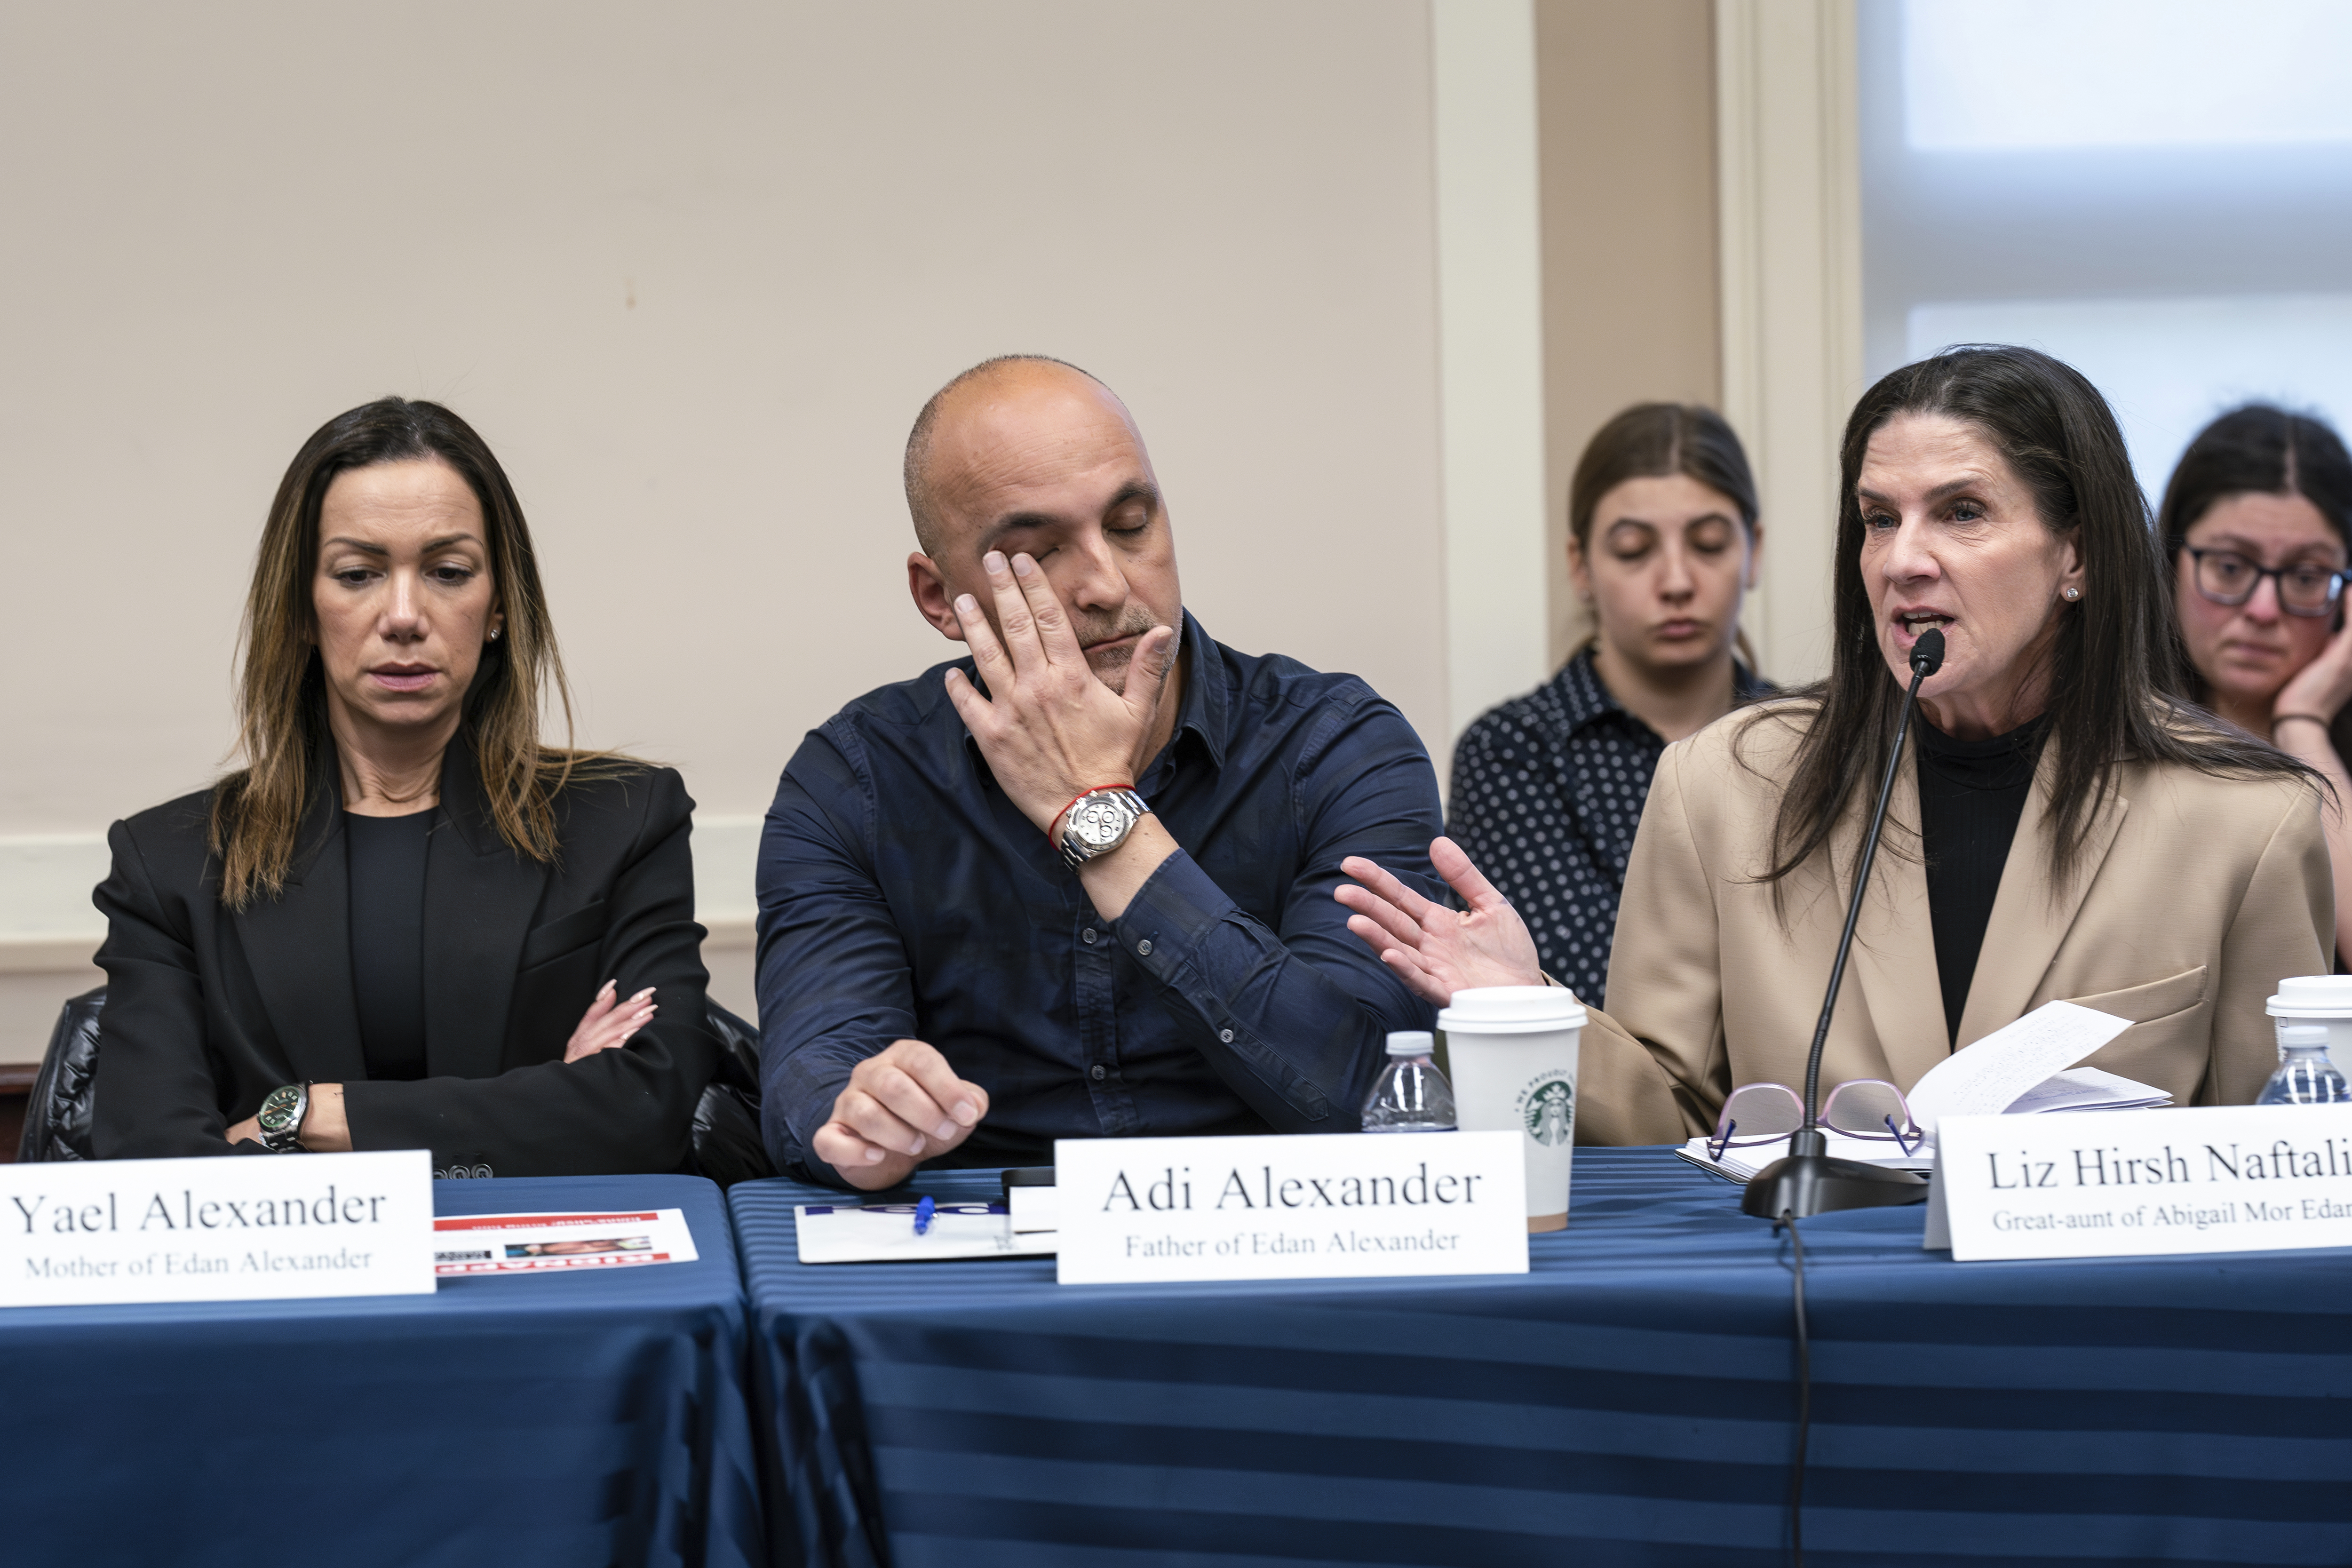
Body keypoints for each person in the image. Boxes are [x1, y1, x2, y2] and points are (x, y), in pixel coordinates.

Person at [1337, 345, 2329, 1142]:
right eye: (1876, 519)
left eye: (1962, 513)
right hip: (1810, 1332)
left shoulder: (2242, 818)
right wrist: (1528, 1006)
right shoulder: (1722, 785)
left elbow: (2286, 1169)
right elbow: (1668, 1117)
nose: (1902, 561)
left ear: (2075, 552)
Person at [755, 355, 1444, 1188]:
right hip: (986, 1257)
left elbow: (1368, 1097)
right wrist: (867, 1119)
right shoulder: (856, 778)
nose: (1108, 583)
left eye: (1129, 525)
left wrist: (1099, 818)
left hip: (1278, 1239)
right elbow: (817, 1073)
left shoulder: (1337, 747)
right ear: (939, 596)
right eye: (1037, 551)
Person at [91, 398, 719, 1174]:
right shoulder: (167, 864)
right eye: (358, 573)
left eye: (448, 571)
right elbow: (154, 1162)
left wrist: (305, 1116)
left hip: (551, 1275)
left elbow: (645, 1109)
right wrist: (548, 1099)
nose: (403, 615)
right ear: (299, 608)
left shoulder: (625, 818)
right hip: (300, 1288)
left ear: (497, 607)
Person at [1446, 403, 1768, 1006]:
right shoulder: (1513, 751)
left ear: (1752, 550)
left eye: (1707, 544)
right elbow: (1572, 988)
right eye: (1632, 550)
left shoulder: (1811, 739)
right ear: (1581, 567)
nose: (1675, 581)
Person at [2161, 405, 2352, 964]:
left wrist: (2302, 723)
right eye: (2228, 566)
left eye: (2303, 576)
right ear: (2170, 563)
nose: (2263, 609)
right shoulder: (2103, 735)